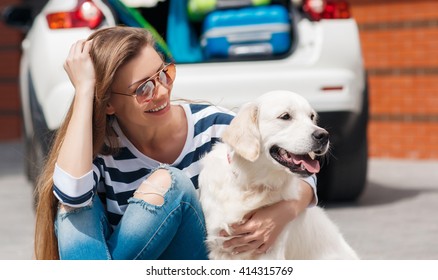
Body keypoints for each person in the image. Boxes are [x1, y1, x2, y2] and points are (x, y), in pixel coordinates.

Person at [34, 26, 317, 260]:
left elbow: (295, 164)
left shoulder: (216, 127)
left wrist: (285, 211)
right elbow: (71, 195)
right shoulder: (101, 150)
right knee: (74, 211)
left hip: (192, 261)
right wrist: (85, 91)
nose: (161, 92)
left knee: (172, 184)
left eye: (164, 74)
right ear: (108, 103)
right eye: (142, 89)